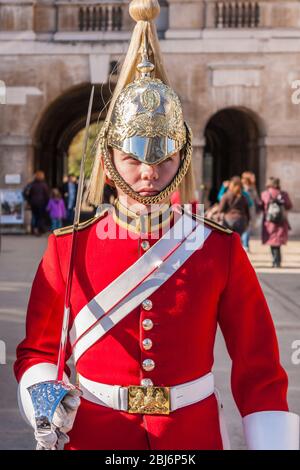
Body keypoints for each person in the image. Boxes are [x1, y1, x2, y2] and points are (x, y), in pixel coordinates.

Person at [14, 0, 299, 451]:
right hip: (94, 434)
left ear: (181, 161)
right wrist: (44, 395)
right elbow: (39, 350)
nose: (149, 173)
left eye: (163, 159)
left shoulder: (217, 248)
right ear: (108, 163)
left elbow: (258, 365)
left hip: (191, 436)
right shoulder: (67, 247)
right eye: (133, 159)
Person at [260, 177, 293, 268]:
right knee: (277, 242)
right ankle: (277, 261)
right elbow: (289, 205)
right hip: (281, 221)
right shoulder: (283, 194)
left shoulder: (265, 194)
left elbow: (261, 206)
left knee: (272, 241)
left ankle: (275, 261)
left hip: (269, 221)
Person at [241, 171, 260, 252]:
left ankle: (246, 244)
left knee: (247, 228)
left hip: (248, 210)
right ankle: (245, 245)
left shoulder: (247, 188)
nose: (254, 178)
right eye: (253, 177)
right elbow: (256, 200)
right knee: (247, 228)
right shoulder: (248, 189)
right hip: (248, 210)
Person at [26, 170, 49, 236]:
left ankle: (33, 229)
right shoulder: (44, 185)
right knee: (40, 217)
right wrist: (47, 203)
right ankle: (39, 230)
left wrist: (29, 200)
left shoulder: (32, 184)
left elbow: (27, 193)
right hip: (41, 203)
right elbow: (46, 195)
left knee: (34, 216)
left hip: (33, 203)